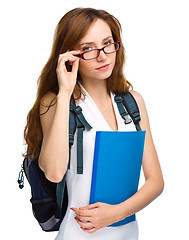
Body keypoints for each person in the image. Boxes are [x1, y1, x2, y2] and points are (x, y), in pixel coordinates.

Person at [23, 7, 164, 240]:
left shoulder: (133, 103)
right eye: (87, 48)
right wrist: (66, 91)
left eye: (107, 43)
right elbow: (55, 172)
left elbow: (156, 182)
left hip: (128, 234)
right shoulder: (56, 101)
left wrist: (116, 213)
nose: (102, 55)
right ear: (70, 55)